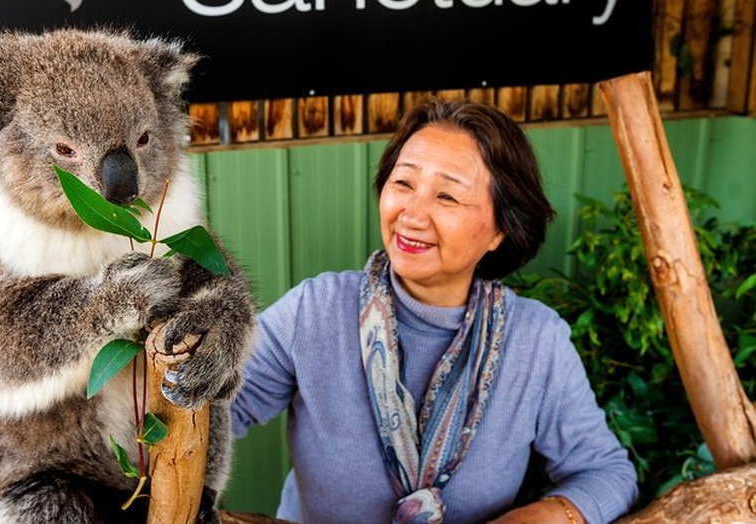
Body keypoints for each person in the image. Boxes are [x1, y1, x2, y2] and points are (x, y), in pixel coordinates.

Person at [230, 98, 638, 524]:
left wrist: (541, 518)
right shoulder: (316, 311)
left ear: (500, 229)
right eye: (403, 184)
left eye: (447, 195)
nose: (412, 214)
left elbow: (605, 472)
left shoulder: (536, 341)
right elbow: (212, 412)